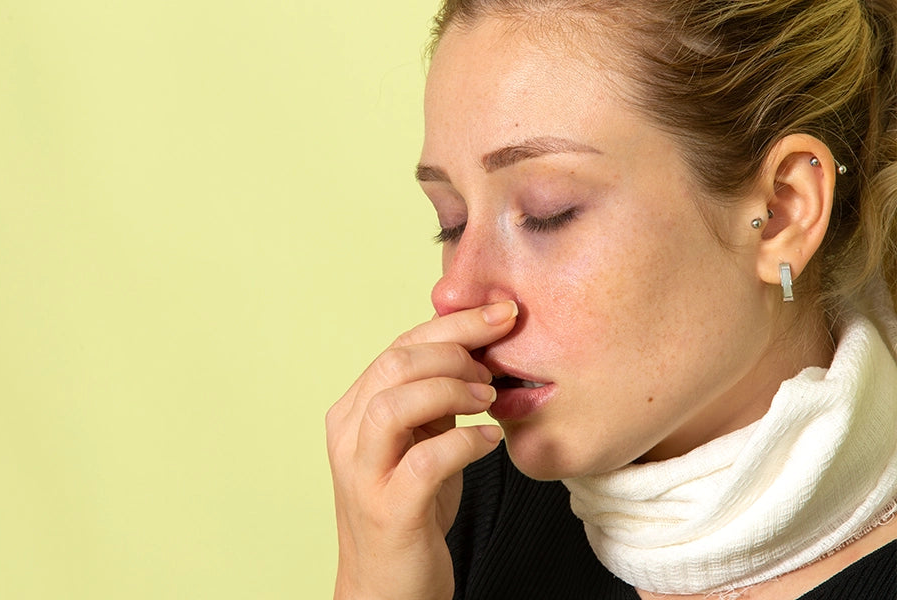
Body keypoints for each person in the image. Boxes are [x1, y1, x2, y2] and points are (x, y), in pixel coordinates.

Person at [325, 0, 897, 598]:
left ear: (780, 212)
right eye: (452, 221)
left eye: (549, 213)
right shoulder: (442, 520)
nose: (454, 293)